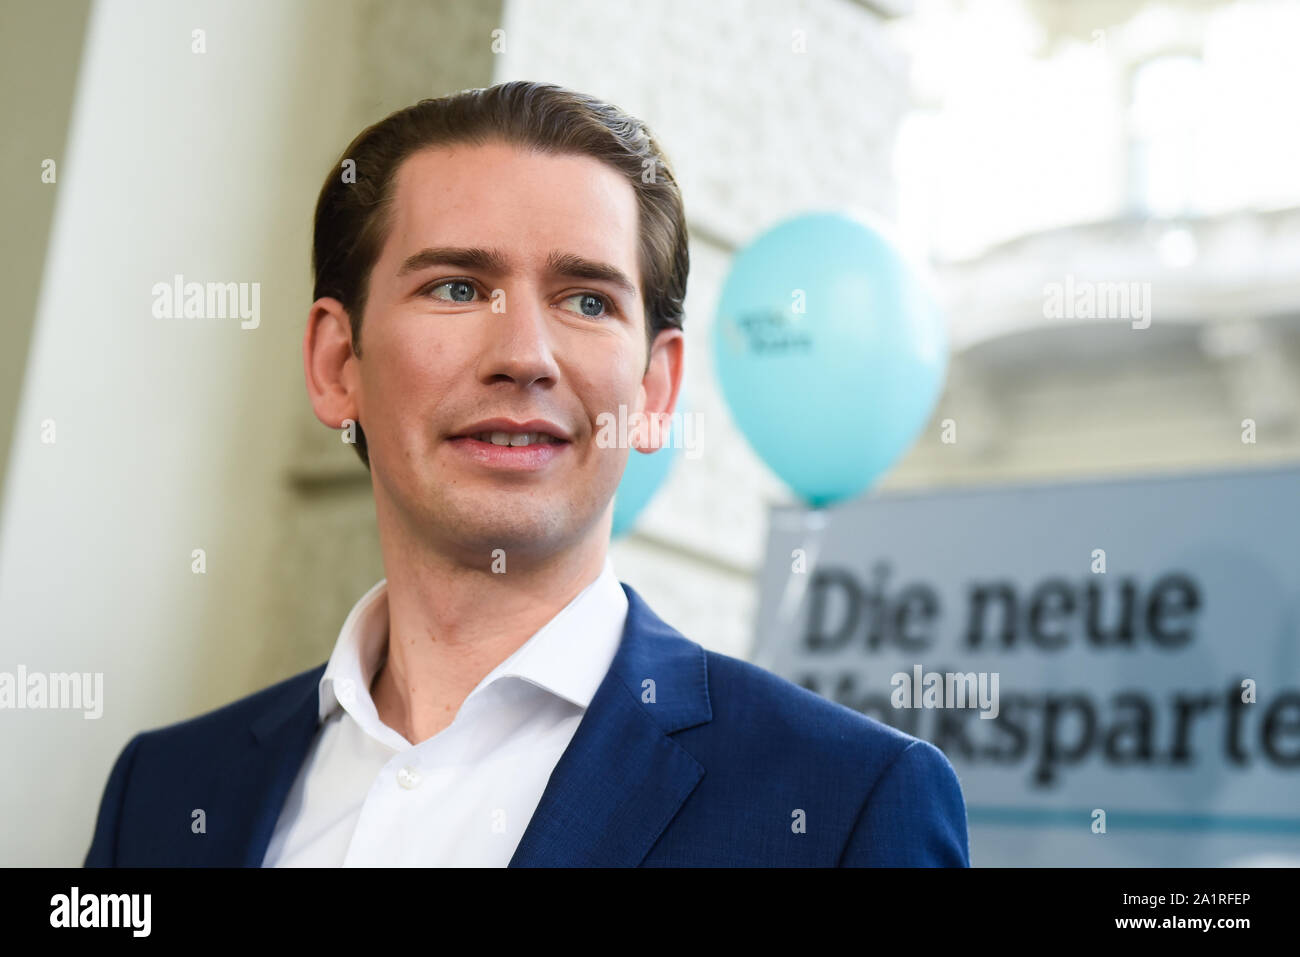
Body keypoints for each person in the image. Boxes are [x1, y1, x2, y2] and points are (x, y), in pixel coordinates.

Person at [84, 81, 969, 867]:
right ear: (336, 362)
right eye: (459, 288)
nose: (525, 357)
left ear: (657, 387)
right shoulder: (161, 793)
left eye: (587, 300)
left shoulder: (849, 805)